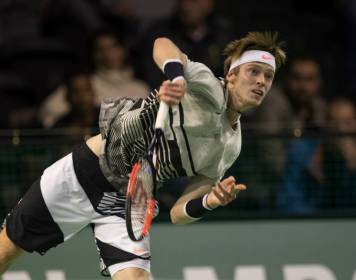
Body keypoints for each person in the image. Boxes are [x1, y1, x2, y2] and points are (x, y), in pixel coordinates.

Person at [0, 31, 286, 279]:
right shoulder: (207, 85)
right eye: (254, 72)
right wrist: (176, 76)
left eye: (268, 76)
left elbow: (178, 214)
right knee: (5, 253)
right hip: (87, 172)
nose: (261, 81)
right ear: (233, 75)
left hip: (129, 201)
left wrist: (210, 201)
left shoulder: (230, 147)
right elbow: (162, 44)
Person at [276, 97, 356, 215]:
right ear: (325, 126)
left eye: (347, 123)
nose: (340, 130)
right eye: (334, 123)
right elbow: (288, 202)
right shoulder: (302, 153)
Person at [38, 29, 150, 128]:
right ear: (93, 54)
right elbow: (48, 112)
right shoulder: (85, 84)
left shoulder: (141, 89)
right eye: (101, 49)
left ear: (123, 50)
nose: (107, 54)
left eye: (113, 47)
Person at [135, 0, 236, 88]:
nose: (185, 6)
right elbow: (150, 76)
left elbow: (231, 74)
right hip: (174, 99)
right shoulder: (159, 33)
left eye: (193, 1)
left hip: (215, 99)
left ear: (208, 3)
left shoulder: (224, 34)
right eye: (181, 0)